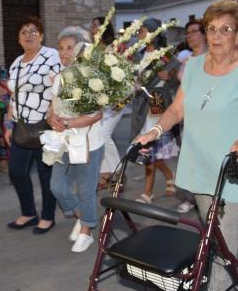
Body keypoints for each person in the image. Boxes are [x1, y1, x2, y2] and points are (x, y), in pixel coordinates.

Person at [135, 0, 238, 291]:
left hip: (236, 168)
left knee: (224, 236)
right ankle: (212, 279)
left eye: (226, 29)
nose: (217, 35)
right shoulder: (194, 67)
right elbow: (176, 110)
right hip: (201, 165)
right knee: (211, 234)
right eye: (212, 29)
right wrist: (154, 131)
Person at [48, 26, 104, 252]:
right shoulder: (59, 78)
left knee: (85, 188)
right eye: (61, 48)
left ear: (80, 49)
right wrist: (53, 119)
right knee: (57, 186)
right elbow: (51, 110)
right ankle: (84, 217)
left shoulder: (92, 78)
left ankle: (86, 231)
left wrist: (69, 123)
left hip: (89, 142)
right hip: (63, 141)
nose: (64, 52)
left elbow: (97, 114)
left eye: (69, 48)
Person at [3, 16, 61, 231]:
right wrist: (10, 123)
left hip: (44, 125)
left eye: (33, 31)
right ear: (18, 38)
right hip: (21, 126)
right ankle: (28, 212)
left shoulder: (51, 56)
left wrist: (53, 111)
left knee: (46, 174)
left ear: (42, 36)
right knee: (16, 172)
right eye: (24, 31)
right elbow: (13, 94)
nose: (29, 35)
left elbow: (61, 87)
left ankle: (47, 216)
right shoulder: (17, 62)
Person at [131, 18, 180, 204]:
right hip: (140, 107)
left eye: (142, 31)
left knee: (148, 149)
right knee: (150, 150)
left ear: (153, 33)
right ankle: (169, 174)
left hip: (157, 106)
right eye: (139, 32)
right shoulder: (138, 55)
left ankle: (147, 192)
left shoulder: (165, 56)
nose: (139, 35)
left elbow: (177, 79)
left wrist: (170, 77)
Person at [175, 19, 208, 214]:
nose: (190, 36)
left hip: (205, 115)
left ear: (204, 34)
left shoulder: (212, 58)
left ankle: (205, 196)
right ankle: (191, 196)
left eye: (194, 32)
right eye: (188, 33)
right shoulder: (186, 59)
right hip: (187, 114)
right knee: (188, 156)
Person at [90, 16, 123, 191]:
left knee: (103, 136)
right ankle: (107, 175)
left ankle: (117, 175)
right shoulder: (93, 50)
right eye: (91, 25)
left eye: (95, 25)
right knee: (99, 136)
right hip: (100, 102)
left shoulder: (113, 49)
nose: (92, 28)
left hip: (115, 102)